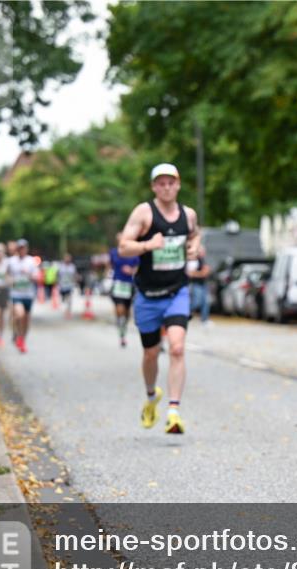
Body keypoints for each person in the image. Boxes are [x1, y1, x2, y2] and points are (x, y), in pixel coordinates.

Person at [118, 163, 200, 434]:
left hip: (177, 291)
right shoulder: (144, 212)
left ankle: (174, 412)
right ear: (154, 186)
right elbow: (123, 247)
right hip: (147, 296)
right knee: (151, 353)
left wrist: (195, 247)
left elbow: (196, 236)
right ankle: (152, 396)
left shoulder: (188, 215)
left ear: (178, 185)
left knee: (177, 348)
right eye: (160, 183)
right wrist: (147, 245)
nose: (166, 187)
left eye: (171, 182)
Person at [7, 239, 40, 354]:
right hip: (16, 294)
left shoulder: (31, 261)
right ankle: (17, 334)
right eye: (20, 248)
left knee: (26, 321)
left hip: (28, 294)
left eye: (24, 248)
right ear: (18, 249)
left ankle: (22, 340)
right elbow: (6, 275)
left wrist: (29, 274)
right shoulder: (11, 261)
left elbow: (37, 277)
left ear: (27, 249)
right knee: (19, 315)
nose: (22, 250)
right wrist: (10, 280)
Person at [108, 233, 140, 346]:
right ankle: (121, 331)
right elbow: (110, 265)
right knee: (119, 309)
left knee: (127, 312)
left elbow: (138, 267)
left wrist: (131, 271)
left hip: (130, 285)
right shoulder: (113, 252)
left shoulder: (134, 253)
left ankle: (123, 327)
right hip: (118, 284)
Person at [187, 245, 212, 326]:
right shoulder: (194, 261)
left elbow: (207, 271)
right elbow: (190, 273)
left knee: (206, 302)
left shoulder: (203, 260)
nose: (203, 253)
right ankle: (186, 313)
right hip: (196, 284)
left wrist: (205, 272)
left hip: (203, 283)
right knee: (196, 302)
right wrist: (202, 273)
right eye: (201, 251)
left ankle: (204, 319)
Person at [57, 253, 77, 318]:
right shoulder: (61, 266)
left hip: (69, 286)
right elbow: (57, 275)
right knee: (64, 299)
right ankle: (65, 309)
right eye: (66, 258)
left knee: (69, 299)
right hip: (62, 286)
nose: (67, 259)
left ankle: (68, 311)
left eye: (69, 258)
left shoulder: (72, 267)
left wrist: (76, 280)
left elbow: (74, 275)